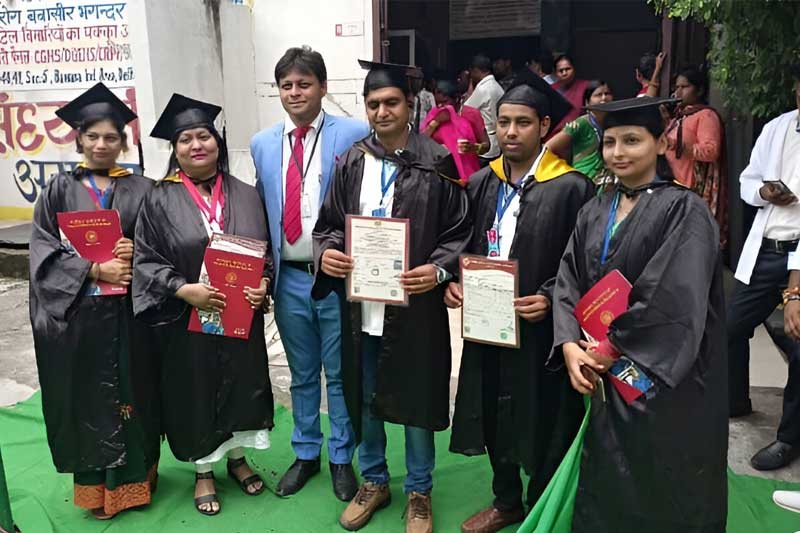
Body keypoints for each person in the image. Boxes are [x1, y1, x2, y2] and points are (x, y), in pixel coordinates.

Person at [553, 97, 728, 533]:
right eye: (610, 142)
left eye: (632, 140)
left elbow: (673, 295)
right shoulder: (595, 208)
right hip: (601, 369)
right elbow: (567, 278)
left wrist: (613, 346)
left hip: (661, 379)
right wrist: (569, 342)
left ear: (660, 144)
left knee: (662, 478)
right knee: (606, 474)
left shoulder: (685, 209)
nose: (618, 152)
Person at [313, 59, 472, 533]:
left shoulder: (436, 161)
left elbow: (459, 230)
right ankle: (375, 480)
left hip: (415, 306)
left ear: (409, 106)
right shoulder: (352, 161)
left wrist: (439, 269)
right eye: (373, 104)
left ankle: (419, 490)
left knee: (416, 398)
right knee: (365, 396)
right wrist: (327, 253)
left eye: (391, 103)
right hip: (361, 306)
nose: (382, 112)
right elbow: (328, 224)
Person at [448, 71, 594, 533]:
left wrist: (551, 297)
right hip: (489, 323)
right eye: (504, 122)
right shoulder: (481, 183)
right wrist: (451, 279)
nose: (511, 132)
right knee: (493, 407)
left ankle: (539, 504)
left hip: (542, 330)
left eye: (523, 123)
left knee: (543, 415)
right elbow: (461, 243)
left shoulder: (572, 188)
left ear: (545, 126)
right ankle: (506, 499)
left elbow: (584, 261)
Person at [132, 94, 274, 515]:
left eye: (204, 136)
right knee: (194, 389)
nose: (197, 145)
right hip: (187, 317)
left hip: (239, 315)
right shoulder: (159, 198)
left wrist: (264, 283)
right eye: (186, 139)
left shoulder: (246, 194)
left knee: (242, 386)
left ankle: (237, 458)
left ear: (218, 142)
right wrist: (181, 288)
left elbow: (265, 251)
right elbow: (145, 260)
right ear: (175, 150)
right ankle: (203, 469)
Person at [29, 83, 159, 521]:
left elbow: (162, 246)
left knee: (134, 393)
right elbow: (42, 251)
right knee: (89, 400)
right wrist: (93, 270)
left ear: (123, 142)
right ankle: (95, 489)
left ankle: (138, 481)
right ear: (79, 139)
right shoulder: (57, 190)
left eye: (111, 137)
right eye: (93, 136)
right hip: (81, 318)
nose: (102, 144)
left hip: (129, 316)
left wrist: (135, 251)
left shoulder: (142, 188)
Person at [250, 46, 368, 501]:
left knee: (338, 372)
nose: (295, 92)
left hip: (334, 278)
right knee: (301, 372)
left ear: (323, 87)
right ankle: (305, 453)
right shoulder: (263, 144)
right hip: (289, 279)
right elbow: (262, 211)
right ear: (278, 91)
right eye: (287, 85)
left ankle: (341, 456)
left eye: (304, 83)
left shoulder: (353, 133)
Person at [730, 64, 800, 470]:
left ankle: (789, 439)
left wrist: (795, 292)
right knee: (730, 328)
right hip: (766, 251)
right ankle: (735, 402)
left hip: (798, 258)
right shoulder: (777, 127)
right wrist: (764, 191)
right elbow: (747, 180)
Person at [663, 66, 727, 245]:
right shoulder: (679, 117)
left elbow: (711, 151)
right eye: (677, 87)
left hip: (692, 190)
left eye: (685, 87)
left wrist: (677, 145)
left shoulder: (706, 115)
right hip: (672, 188)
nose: (678, 92)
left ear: (699, 90)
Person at [546, 80, 614, 185]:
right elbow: (548, 148)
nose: (604, 98)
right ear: (587, 102)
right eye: (598, 95)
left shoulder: (614, 123)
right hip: (583, 182)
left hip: (605, 183)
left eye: (607, 94)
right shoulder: (580, 124)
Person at [421, 79, 490, 182]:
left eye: (444, 102)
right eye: (437, 103)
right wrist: (436, 122)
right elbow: (422, 141)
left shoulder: (471, 114)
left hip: (466, 172)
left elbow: (487, 146)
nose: (440, 106)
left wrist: (473, 148)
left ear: (457, 99)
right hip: (440, 173)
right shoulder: (435, 114)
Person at [465, 53, 505, 165]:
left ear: (475, 70)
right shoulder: (498, 87)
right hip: (496, 142)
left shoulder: (483, 89)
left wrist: (470, 87)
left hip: (484, 144)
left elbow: (465, 111)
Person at [551, 54, 589, 134]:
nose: (564, 73)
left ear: (574, 69)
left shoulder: (585, 86)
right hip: (556, 134)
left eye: (567, 69)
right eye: (561, 71)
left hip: (581, 131)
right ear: (555, 73)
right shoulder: (551, 89)